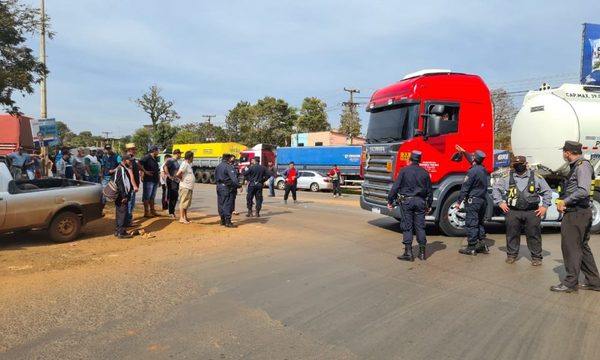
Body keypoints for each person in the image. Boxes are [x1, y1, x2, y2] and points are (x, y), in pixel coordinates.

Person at [551, 141, 600, 293]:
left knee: (571, 248)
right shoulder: (579, 165)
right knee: (582, 248)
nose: (563, 155)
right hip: (579, 212)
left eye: (563, 152)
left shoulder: (582, 166)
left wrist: (564, 201)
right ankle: (594, 281)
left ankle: (570, 283)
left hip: (577, 214)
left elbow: (583, 191)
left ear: (567, 152)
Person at [492, 156, 552, 265]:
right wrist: (500, 203)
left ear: (526, 164)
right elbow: (496, 189)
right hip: (513, 211)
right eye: (515, 164)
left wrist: (544, 206)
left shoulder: (537, 177)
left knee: (534, 235)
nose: (518, 166)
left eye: (520, 164)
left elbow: (547, 191)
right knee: (512, 234)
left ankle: (536, 257)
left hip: (532, 212)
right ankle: (511, 255)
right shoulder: (506, 177)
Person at [386, 151, 433, 261]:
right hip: (421, 202)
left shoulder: (404, 171)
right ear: (419, 160)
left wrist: (390, 200)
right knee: (420, 226)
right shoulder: (425, 173)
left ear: (410, 160)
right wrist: (429, 204)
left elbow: (395, 187)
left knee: (407, 226)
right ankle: (422, 254)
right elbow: (429, 191)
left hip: (407, 202)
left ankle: (408, 253)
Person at [456, 150, 489, 255]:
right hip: (482, 200)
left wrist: (458, 201)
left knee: (471, 224)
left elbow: (465, 188)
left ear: (474, 159)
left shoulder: (472, 171)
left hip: (473, 201)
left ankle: (471, 247)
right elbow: (472, 159)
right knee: (480, 223)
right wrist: (464, 152)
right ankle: (482, 245)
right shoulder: (483, 169)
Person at [215, 154, 241, 228]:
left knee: (220, 203)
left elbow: (215, 176)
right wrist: (239, 185)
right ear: (228, 159)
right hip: (226, 187)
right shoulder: (228, 167)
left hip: (219, 186)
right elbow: (234, 179)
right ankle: (228, 222)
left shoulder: (218, 166)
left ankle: (222, 220)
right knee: (227, 204)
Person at [114, 155, 134, 239]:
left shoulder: (122, 168)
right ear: (125, 160)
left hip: (120, 195)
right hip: (121, 196)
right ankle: (121, 232)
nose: (130, 162)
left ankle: (118, 231)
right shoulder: (121, 169)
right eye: (129, 160)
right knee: (122, 213)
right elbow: (121, 183)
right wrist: (124, 196)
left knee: (119, 213)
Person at [139, 145, 161, 217]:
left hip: (155, 180)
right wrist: (145, 171)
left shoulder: (154, 158)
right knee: (147, 196)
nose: (158, 151)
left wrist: (159, 180)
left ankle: (152, 211)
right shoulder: (147, 157)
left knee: (152, 196)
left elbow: (157, 170)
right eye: (157, 150)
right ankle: (146, 212)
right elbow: (139, 163)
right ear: (154, 150)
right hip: (148, 180)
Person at [176, 151, 195, 224]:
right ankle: (181, 218)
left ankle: (185, 217)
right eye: (193, 157)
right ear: (190, 157)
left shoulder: (188, 164)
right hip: (185, 187)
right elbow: (178, 174)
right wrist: (181, 178)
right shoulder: (184, 164)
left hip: (189, 187)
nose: (193, 158)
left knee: (186, 203)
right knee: (183, 202)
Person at [125, 143, 140, 227]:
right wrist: (134, 185)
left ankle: (128, 219)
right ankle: (128, 220)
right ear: (129, 150)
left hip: (133, 184)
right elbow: (131, 174)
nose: (135, 150)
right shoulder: (128, 159)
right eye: (133, 149)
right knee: (130, 203)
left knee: (131, 203)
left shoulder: (133, 159)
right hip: (130, 185)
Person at [164, 149, 182, 218]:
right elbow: (165, 167)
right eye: (180, 154)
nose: (180, 155)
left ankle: (171, 211)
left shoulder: (176, 161)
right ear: (177, 154)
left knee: (174, 196)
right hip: (172, 181)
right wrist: (169, 176)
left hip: (176, 181)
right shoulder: (171, 160)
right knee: (173, 196)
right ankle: (171, 212)